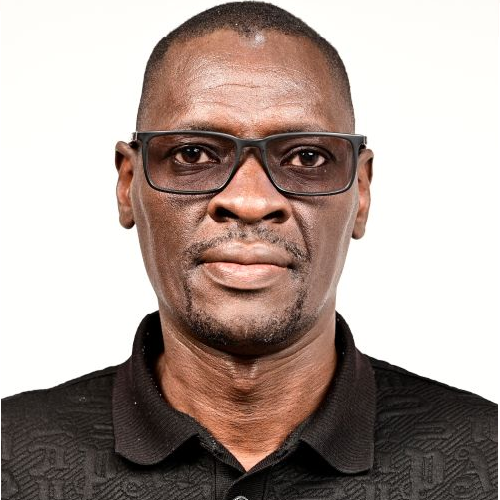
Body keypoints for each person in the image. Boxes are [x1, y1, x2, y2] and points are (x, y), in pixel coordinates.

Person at [2, 2, 497, 499]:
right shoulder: (10, 458)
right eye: (193, 153)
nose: (250, 201)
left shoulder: (488, 460)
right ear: (128, 185)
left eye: (306, 157)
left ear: (361, 193)